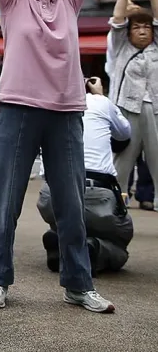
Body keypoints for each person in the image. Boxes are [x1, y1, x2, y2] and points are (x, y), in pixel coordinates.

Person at [0, 0, 114, 314]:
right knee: (6, 201)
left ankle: (79, 284)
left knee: (72, 205)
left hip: (66, 111)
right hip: (19, 108)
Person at [38, 77, 133, 275]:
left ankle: (60, 242)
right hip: (96, 191)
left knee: (68, 218)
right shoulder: (100, 102)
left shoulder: (44, 103)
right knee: (121, 239)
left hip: (51, 194)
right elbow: (125, 133)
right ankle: (95, 249)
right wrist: (99, 95)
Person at [108, 0, 158, 196]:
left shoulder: (155, 47)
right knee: (121, 164)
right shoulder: (121, 47)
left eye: (146, 27)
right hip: (127, 110)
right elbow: (118, 19)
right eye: (136, 27)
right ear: (128, 32)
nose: (142, 31)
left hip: (155, 109)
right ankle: (113, 208)